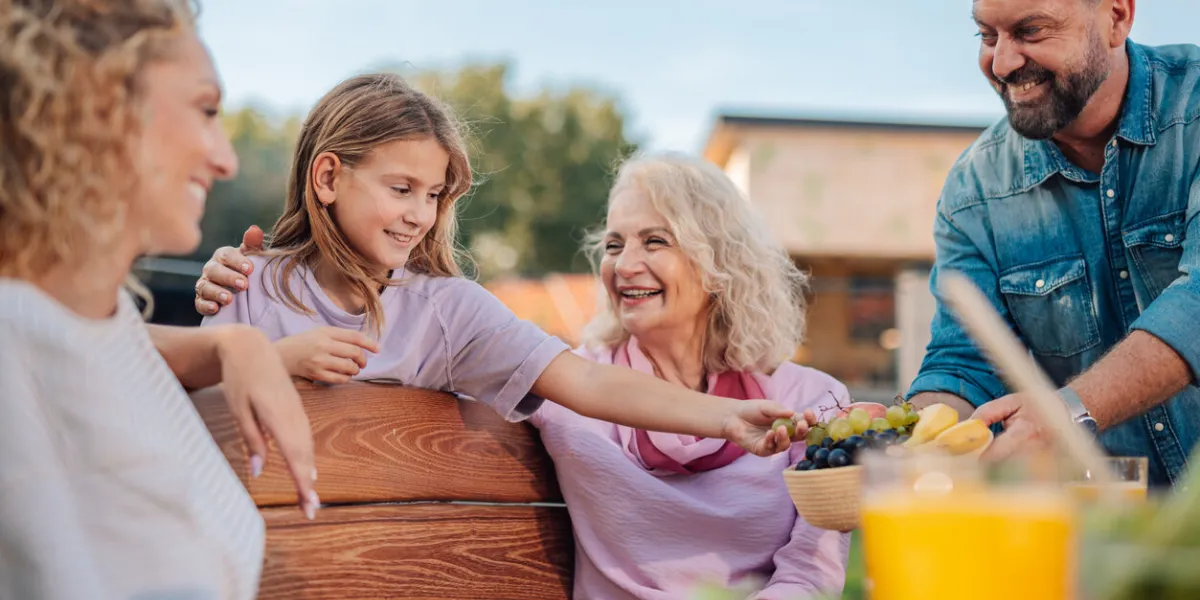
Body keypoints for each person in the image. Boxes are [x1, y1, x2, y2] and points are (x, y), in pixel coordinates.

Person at [198, 150, 850, 598]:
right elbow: (399, 346)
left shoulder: (812, 401)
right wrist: (260, 292)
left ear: (719, 261)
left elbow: (811, 572)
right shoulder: (564, 393)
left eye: (655, 242)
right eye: (615, 244)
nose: (625, 265)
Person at [191, 72, 813, 457]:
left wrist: (728, 417)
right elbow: (184, 411)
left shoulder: (449, 310)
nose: (420, 215)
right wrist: (276, 362)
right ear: (328, 176)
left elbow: (587, 382)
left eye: (433, 196)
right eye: (401, 188)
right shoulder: (249, 283)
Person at [0, 1, 317, 599]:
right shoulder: (16, 379)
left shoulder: (101, 323)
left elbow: (85, 341)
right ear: (98, 107)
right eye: (206, 110)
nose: (227, 159)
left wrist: (232, 341)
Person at [905, 0, 1200, 487]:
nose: (1001, 63)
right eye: (986, 36)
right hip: (1106, 533)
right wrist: (906, 434)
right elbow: (966, 361)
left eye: (1031, 30)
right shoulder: (972, 193)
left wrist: (1065, 413)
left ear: (1117, 17)